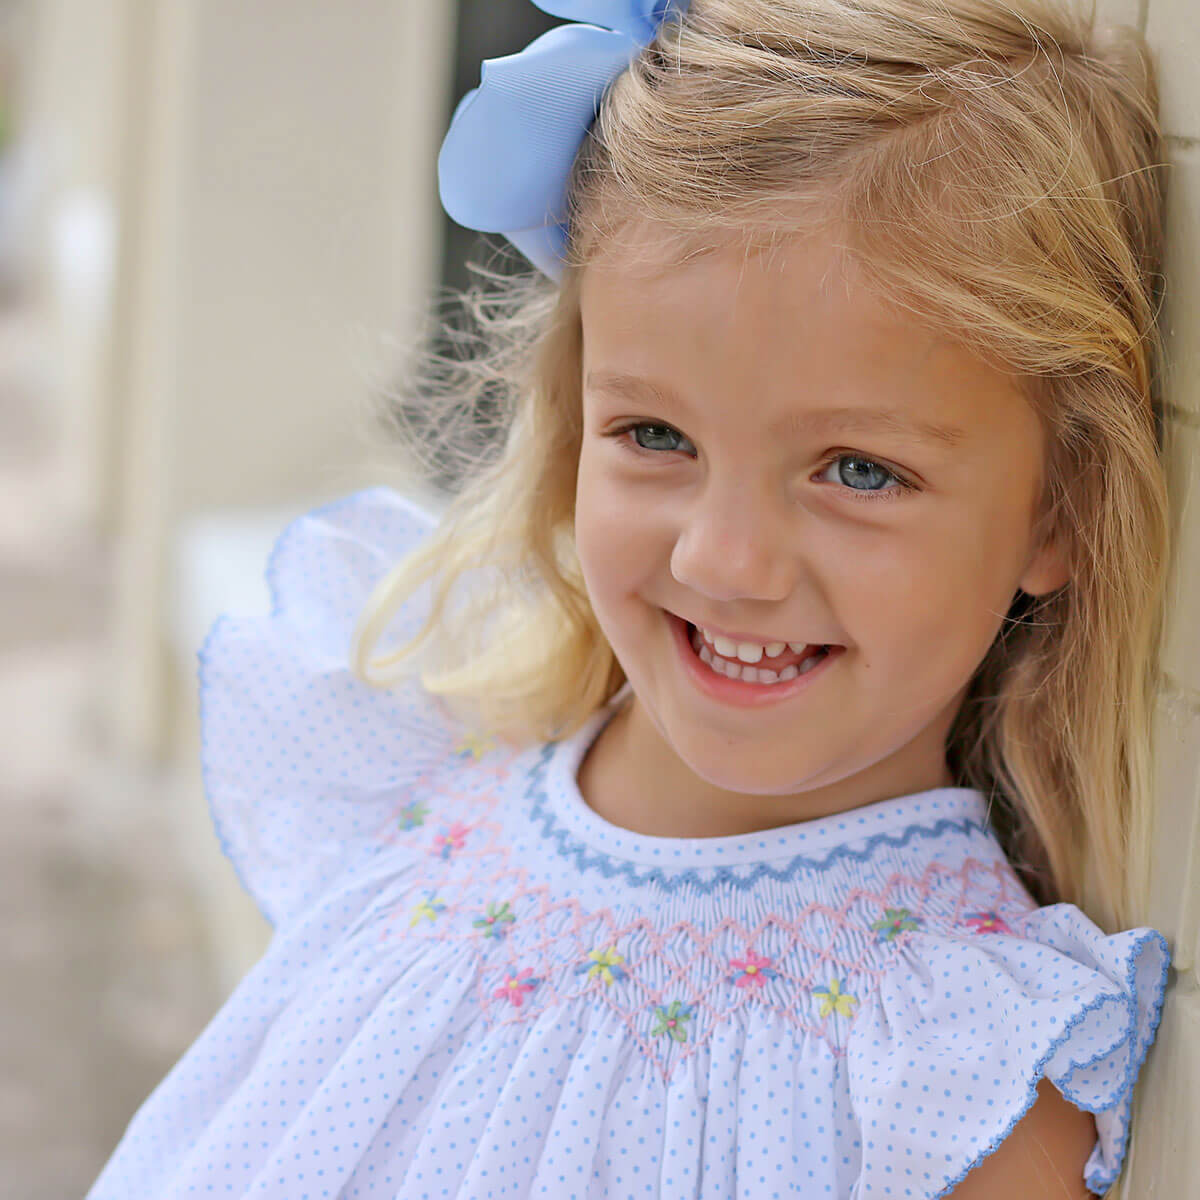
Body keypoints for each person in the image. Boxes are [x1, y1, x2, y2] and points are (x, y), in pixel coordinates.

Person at [86, 0, 1175, 1196]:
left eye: (860, 471)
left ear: (1058, 512)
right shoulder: (429, 764)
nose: (725, 561)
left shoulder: (957, 1082)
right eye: (656, 435)